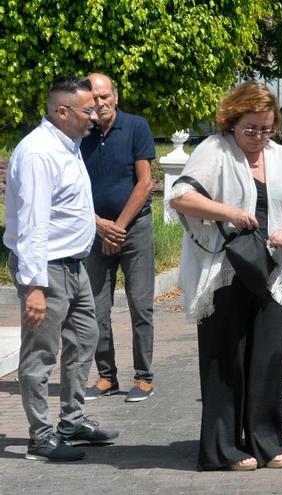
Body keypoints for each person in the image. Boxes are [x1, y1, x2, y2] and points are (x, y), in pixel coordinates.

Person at [168, 81, 282, 471]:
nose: (259, 137)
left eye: (266, 128)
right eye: (251, 129)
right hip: (227, 271)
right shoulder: (214, 151)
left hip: (271, 270)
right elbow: (180, 196)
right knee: (224, 360)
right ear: (232, 120)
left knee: (268, 360)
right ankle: (223, 449)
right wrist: (229, 212)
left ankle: (265, 441)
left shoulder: (280, 156)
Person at [4, 77, 119, 462]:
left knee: (85, 337)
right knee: (40, 354)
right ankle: (40, 436)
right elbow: (34, 223)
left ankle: (72, 421)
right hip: (47, 268)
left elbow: (69, 207)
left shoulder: (67, 146)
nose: (96, 114)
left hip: (73, 265)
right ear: (62, 111)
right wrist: (34, 285)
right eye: (88, 109)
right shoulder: (39, 153)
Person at [81, 73, 158, 403]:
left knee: (140, 304)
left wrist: (118, 228)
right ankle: (106, 376)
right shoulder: (81, 133)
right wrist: (99, 225)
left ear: (116, 96)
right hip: (95, 231)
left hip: (134, 228)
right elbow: (74, 184)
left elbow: (145, 182)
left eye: (104, 95)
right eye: (93, 98)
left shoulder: (136, 126)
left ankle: (143, 377)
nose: (99, 103)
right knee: (96, 308)